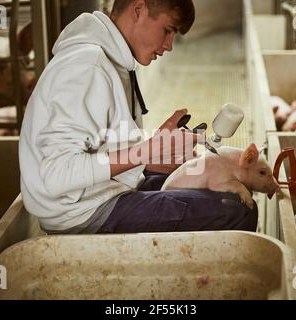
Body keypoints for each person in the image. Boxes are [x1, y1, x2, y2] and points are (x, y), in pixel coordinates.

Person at [19, 0, 257, 234]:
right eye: (167, 30)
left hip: (101, 191)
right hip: (83, 212)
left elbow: (100, 140)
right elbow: (55, 175)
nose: (169, 46)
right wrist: (149, 150)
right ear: (139, 10)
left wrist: (154, 153)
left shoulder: (112, 59)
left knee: (224, 186)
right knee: (237, 209)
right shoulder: (87, 67)